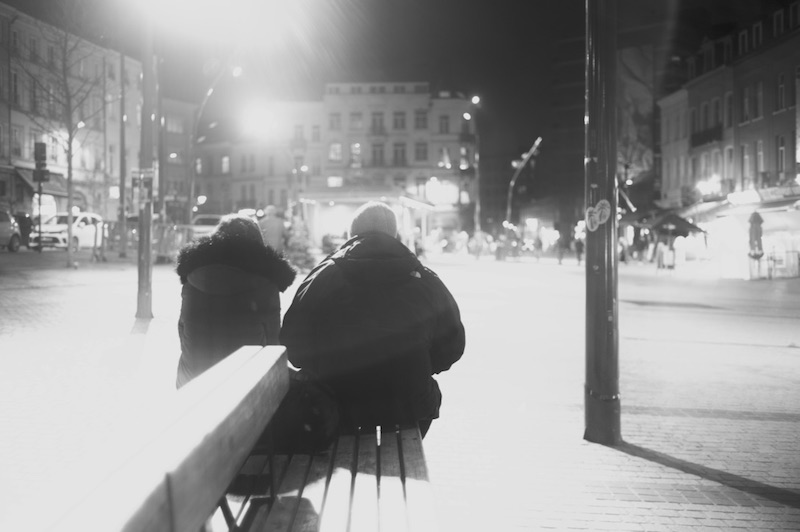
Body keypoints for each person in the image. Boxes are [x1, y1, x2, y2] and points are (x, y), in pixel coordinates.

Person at [280, 201, 465, 438]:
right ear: (394, 234)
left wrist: (327, 363)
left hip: (338, 404)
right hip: (408, 406)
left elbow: (294, 346)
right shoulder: (425, 279)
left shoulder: (323, 277)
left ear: (352, 233)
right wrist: (418, 366)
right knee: (420, 402)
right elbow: (452, 346)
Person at [175, 213, 296, 388]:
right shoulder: (266, 285)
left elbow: (183, 331)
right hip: (244, 386)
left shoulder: (193, 278)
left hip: (191, 381)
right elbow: (273, 349)